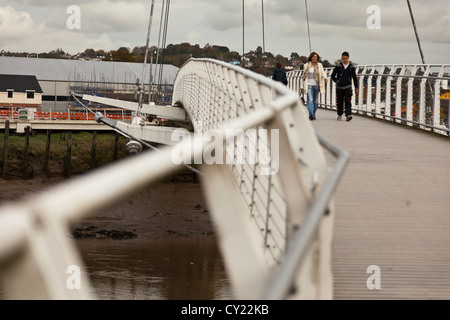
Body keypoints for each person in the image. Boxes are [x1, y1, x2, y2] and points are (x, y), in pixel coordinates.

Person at [331, 51, 358, 121]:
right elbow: (332, 75)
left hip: (348, 86)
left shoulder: (351, 67)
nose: (345, 60)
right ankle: (339, 114)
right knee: (340, 102)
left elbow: (354, 78)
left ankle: (348, 115)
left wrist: (356, 87)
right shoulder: (338, 66)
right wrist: (337, 81)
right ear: (341, 58)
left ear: (348, 58)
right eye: (343, 58)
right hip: (339, 87)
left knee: (347, 101)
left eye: (346, 58)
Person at [301, 52, 328, 120]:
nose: (315, 58)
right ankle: (311, 115)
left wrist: (325, 77)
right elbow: (303, 76)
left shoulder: (319, 65)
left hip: (317, 85)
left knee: (315, 101)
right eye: (314, 57)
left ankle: (313, 113)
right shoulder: (306, 65)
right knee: (310, 100)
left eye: (316, 57)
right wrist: (302, 86)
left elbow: (322, 73)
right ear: (311, 57)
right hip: (309, 85)